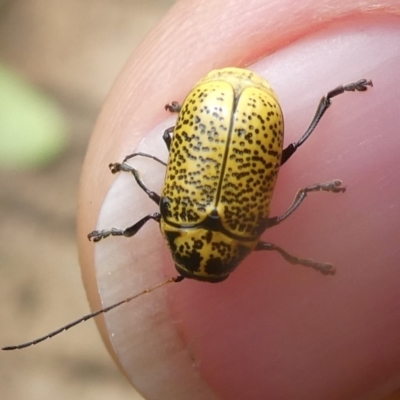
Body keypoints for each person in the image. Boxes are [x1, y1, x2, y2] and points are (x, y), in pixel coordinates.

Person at [78, 0, 400, 398]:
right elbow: (152, 202)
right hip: (228, 108)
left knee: (278, 150)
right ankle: (329, 95)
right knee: (167, 143)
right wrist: (133, 173)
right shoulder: (175, 216)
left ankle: (331, 95)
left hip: (229, 106)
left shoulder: (247, 230)